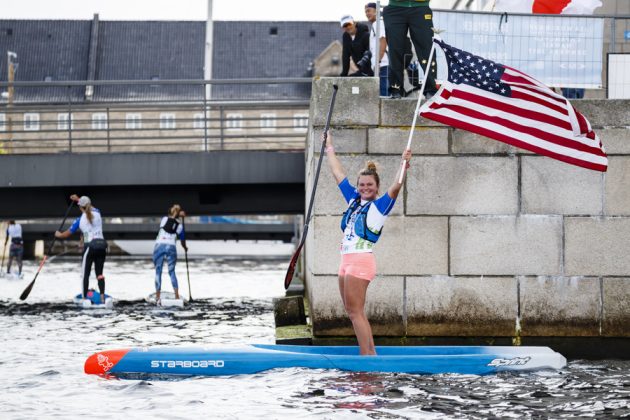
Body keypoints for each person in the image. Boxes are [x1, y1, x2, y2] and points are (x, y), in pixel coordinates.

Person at [324, 130, 412, 355]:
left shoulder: (380, 206)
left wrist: (404, 164)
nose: (365, 188)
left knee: (356, 312)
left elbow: (396, 187)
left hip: (361, 262)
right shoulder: (354, 200)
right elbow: (337, 172)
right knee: (352, 311)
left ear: (376, 186)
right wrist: (329, 146)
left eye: (369, 185)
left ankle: (367, 356)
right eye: (362, 185)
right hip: (345, 261)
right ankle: (369, 352)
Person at [55, 195, 108, 302]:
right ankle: (102, 297)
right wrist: (78, 199)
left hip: (90, 247)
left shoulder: (79, 220)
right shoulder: (98, 212)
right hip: (102, 246)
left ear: (80, 208)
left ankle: (84, 298)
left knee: (85, 274)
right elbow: (90, 231)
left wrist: (58, 235)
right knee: (100, 274)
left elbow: (66, 234)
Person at [383, 0, 438, 99]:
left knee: (427, 50)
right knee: (394, 49)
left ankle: (431, 89)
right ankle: (396, 89)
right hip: (395, 8)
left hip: (420, 7)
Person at [153, 204, 188, 303]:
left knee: (158, 271)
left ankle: (157, 296)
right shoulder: (180, 226)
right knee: (171, 272)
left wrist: (178, 214)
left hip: (159, 245)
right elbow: (182, 240)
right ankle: (177, 297)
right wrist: (185, 248)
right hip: (171, 247)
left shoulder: (164, 219)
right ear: (178, 214)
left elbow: (170, 219)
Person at [364, 2, 389, 96]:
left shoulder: (379, 23)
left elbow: (383, 40)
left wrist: (378, 61)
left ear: (376, 11)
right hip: (381, 65)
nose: (367, 14)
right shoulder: (377, 23)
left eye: (368, 11)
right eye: (365, 12)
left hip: (383, 65)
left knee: (383, 96)